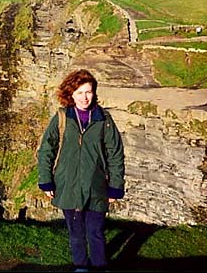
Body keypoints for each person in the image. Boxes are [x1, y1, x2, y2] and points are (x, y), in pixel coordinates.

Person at [37, 69, 125, 272]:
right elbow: (46, 150)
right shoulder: (61, 118)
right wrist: (46, 180)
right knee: (76, 233)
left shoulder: (104, 119)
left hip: (96, 186)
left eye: (89, 92)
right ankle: (80, 267)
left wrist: (115, 186)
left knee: (95, 231)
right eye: (80, 92)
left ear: (94, 92)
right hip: (67, 184)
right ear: (71, 94)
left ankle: (100, 267)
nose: (85, 97)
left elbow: (115, 154)